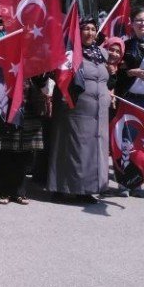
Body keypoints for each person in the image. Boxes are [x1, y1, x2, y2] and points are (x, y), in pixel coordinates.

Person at [47, 16, 110, 204]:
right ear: (78, 31)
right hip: (74, 109)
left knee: (93, 150)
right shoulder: (69, 52)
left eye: (93, 29)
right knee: (70, 148)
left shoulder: (103, 54)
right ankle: (61, 187)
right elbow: (58, 74)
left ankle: (87, 189)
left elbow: (108, 80)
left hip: (98, 112)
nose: (90, 33)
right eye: (85, 29)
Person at [0, 74, 49, 204]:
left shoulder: (37, 57)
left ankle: (19, 191)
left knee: (26, 153)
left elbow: (42, 82)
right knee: (5, 151)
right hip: (9, 103)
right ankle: (2, 190)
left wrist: (43, 73)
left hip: (31, 106)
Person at [117, 7, 144, 113]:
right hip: (130, 99)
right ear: (132, 23)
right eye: (139, 20)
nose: (143, 23)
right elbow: (116, 73)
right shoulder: (125, 46)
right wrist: (130, 72)